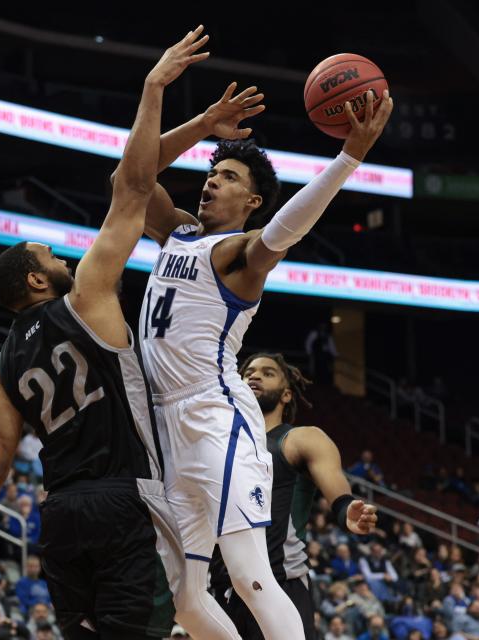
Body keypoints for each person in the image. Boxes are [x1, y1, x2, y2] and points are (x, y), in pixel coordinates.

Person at [0, 28, 258, 640]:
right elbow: (131, 185)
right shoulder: (88, 297)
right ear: (35, 279)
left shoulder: (1, 368)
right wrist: (155, 87)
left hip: (60, 515)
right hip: (123, 498)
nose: (61, 257)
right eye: (50, 254)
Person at [136, 41, 393, 636]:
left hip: (214, 415)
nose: (210, 183)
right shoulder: (177, 233)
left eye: (226, 177)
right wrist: (190, 117)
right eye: (210, 172)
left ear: (251, 201)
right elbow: (131, 174)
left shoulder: (239, 255)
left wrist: (349, 157)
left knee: (251, 576)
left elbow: (285, 231)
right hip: (166, 426)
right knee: (186, 598)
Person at [210, 353, 378, 640]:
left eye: (267, 372)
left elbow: (338, 494)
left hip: (280, 584)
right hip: (224, 589)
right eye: (248, 371)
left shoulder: (300, 439)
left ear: (287, 394)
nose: (254, 376)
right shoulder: (218, 442)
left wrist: (346, 509)